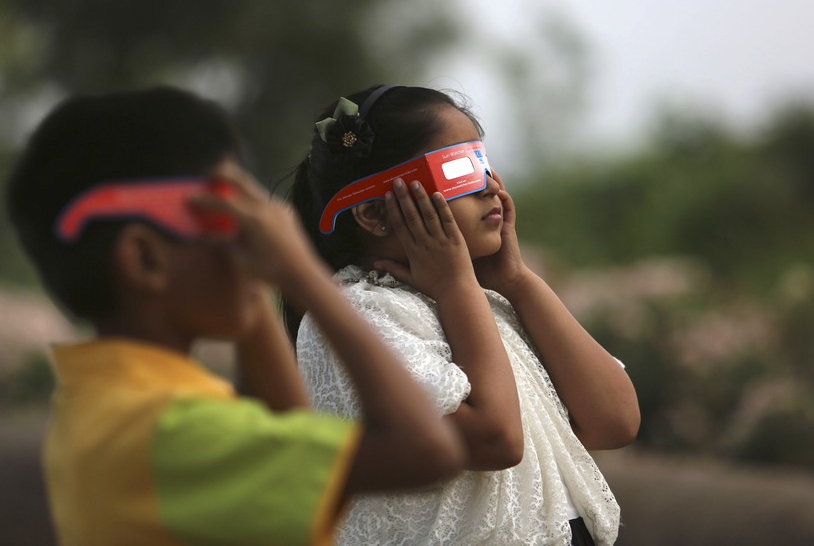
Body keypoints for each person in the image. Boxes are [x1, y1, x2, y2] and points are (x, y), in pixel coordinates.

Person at [4, 86, 466, 546]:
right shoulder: (177, 433)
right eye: (229, 222)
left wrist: (257, 282)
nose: (254, 242)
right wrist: (300, 273)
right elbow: (426, 451)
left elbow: (286, 431)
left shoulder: (105, 402)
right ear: (145, 260)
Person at [285, 84, 641, 546]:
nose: (492, 187)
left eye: (485, 164)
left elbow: (615, 421)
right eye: (459, 171)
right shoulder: (351, 316)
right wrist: (457, 286)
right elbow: (496, 440)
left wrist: (517, 281)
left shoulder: (489, 301)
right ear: (374, 213)